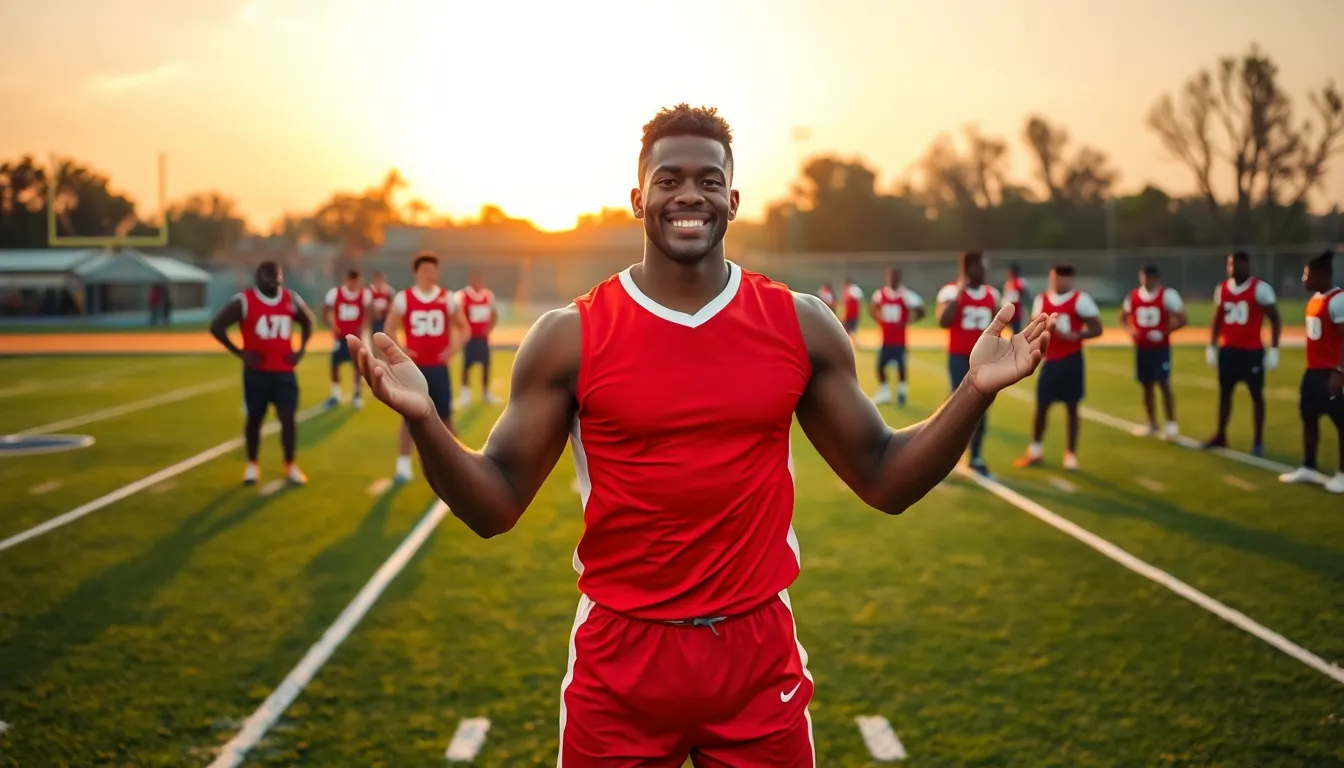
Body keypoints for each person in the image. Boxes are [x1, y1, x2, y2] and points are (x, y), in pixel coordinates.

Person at [349, 104, 1054, 767]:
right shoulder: (571, 335)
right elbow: (494, 505)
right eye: (670, 179)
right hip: (620, 659)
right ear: (637, 199)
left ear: (733, 201)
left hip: (756, 653)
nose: (691, 195)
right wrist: (425, 420)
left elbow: (886, 478)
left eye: (709, 180)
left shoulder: (799, 323)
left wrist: (974, 392)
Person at [209, 261, 313, 485]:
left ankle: (290, 464)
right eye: (268, 277)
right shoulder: (244, 301)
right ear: (257, 278)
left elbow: (308, 321)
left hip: (284, 372)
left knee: (288, 418)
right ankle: (252, 464)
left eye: (276, 277)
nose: (273, 282)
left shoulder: (290, 298)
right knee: (255, 418)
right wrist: (240, 352)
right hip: (257, 373)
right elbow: (216, 326)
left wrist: (301, 350)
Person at [383, 251, 468, 482]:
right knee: (409, 416)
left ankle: (462, 463)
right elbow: (389, 327)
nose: (430, 275)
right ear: (416, 273)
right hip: (415, 368)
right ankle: (403, 465)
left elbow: (464, 327)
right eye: (425, 271)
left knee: (446, 418)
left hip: (439, 368)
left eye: (433, 270)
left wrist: (453, 349)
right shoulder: (404, 298)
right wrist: (402, 351)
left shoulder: (447, 298)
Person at [1016, 264, 1102, 470]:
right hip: (1050, 361)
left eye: (1063, 278)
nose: (1057, 282)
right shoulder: (1041, 300)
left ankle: (1071, 454)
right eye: (1055, 278)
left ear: (1070, 279)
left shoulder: (1080, 299)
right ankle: (1035, 450)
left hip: (1072, 359)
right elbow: (1035, 325)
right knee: (1042, 407)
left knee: (1072, 407)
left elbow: (1096, 328)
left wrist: (1077, 335)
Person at [1278, 251, 1344, 493]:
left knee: (1340, 422)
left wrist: (1340, 371)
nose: (1303, 278)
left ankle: (1342, 474)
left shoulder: (1338, 300)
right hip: (1313, 371)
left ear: (1321, 275)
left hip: (1331, 372)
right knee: (1308, 418)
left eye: (1306, 274)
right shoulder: (1314, 300)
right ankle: (1309, 466)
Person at [1206, 250, 1282, 456]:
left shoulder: (1261, 289)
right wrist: (1211, 346)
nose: (1232, 269)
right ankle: (1221, 435)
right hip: (1228, 351)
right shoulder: (1221, 289)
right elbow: (1217, 319)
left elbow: (1275, 319)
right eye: (1229, 265)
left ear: (1246, 266)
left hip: (1251, 351)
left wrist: (1274, 349)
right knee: (1225, 394)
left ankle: (1258, 440)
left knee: (1256, 396)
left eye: (1236, 265)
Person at [936, 250, 1002, 477]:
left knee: (981, 406)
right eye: (980, 266)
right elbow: (943, 321)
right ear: (968, 269)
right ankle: (944, 454)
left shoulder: (992, 294)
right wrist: (959, 294)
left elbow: (997, 327)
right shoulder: (950, 291)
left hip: (984, 359)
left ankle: (975, 455)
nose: (984, 271)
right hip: (959, 356)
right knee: (957, 405)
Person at [1118, 265, 1187, 439]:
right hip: (1142, 348)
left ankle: (1171, 425)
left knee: (1164, 384)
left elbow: (1182, 318)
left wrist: (1164, 332)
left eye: (1148, 278)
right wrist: (1131, 331)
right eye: (1142, 277)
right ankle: (1152, 423)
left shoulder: (1167, 295)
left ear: (1156, 278)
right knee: (1146, 385)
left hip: (1160, 348)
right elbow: (1122, 317)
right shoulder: (1133, 296)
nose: (1145, 281)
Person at [870, 267, 925, 406]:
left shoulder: (906, 295)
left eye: (895, 278)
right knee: (879, 366)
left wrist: (908, 321)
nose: (892, 281)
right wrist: (879, 319)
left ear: (899, 279)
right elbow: (872, 308)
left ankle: (902, 392)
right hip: (886, 339)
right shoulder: (880, 294)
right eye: (890, 278)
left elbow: (921, 311)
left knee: (901, 367)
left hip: (900, 340)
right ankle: (885, 392)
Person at [323, 268, 372, 408]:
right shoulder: (335, 293)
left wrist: (363, 327)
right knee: (334, 365)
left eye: (356, 282)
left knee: (357, 366)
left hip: (356, 338)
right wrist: (332, 325)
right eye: (351, 282)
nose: (354, 285)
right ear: (347, 281)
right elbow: (325, 310)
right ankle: (335, 394)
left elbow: (369, 313)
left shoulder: (364, 294)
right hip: (339, 337)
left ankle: (356, 394)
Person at [455, 269, 501, 408]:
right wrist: (463, 331)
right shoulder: (462, 295)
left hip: (483, 337)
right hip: (469, 337)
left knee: (485, 364)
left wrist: (488, 329)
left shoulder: (488, 295)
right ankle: (465, 395)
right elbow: (457, 316)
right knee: (466, 366)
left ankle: (486, 393)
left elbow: (494, 315)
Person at [1003, 263, 1031, 334]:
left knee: (1017, 332)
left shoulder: (1020, 282)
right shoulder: (1008, 284)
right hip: (1009, 313)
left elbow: (1025, 294)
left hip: (1018, 313)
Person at [840, 277, 863, 346]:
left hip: (852, 314)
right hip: (848, 315)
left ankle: (853, 343)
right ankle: (850, 343)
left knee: (850, 330)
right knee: (848, 330)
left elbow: (856, 302)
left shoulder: (853, 290)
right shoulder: (847, 292)